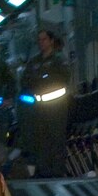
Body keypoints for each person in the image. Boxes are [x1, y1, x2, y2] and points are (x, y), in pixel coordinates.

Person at [17, 29, 73, 177]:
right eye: (39, 40)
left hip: (55, 109)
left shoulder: (59, 60)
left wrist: (44, 81)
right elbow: (25, 81)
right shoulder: (34, 62)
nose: (41, 43)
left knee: (56, 141)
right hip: (37, 110)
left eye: (44, 39)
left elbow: (63, 80)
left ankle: (57, 172)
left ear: (51, 41)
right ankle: (43, 173)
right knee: (40, 142)